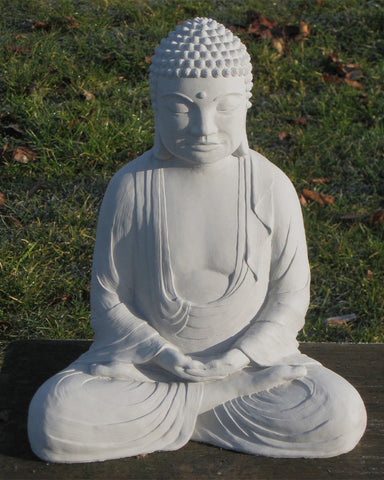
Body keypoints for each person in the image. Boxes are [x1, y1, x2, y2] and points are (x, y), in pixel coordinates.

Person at [28, 18, 367, 463]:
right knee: (55, 417)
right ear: (155, 107)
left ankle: (191, 409)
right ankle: (210, 403)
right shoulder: (133, 186)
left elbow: (289, 297)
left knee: (339, 414)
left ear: (246, 105)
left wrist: (240, 356)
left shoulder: (269, 185)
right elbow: (108, 300)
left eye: (223, 108)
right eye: (180, 108)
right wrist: (161, 353)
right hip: (149, 370)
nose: (203, 127)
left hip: (250, 366)